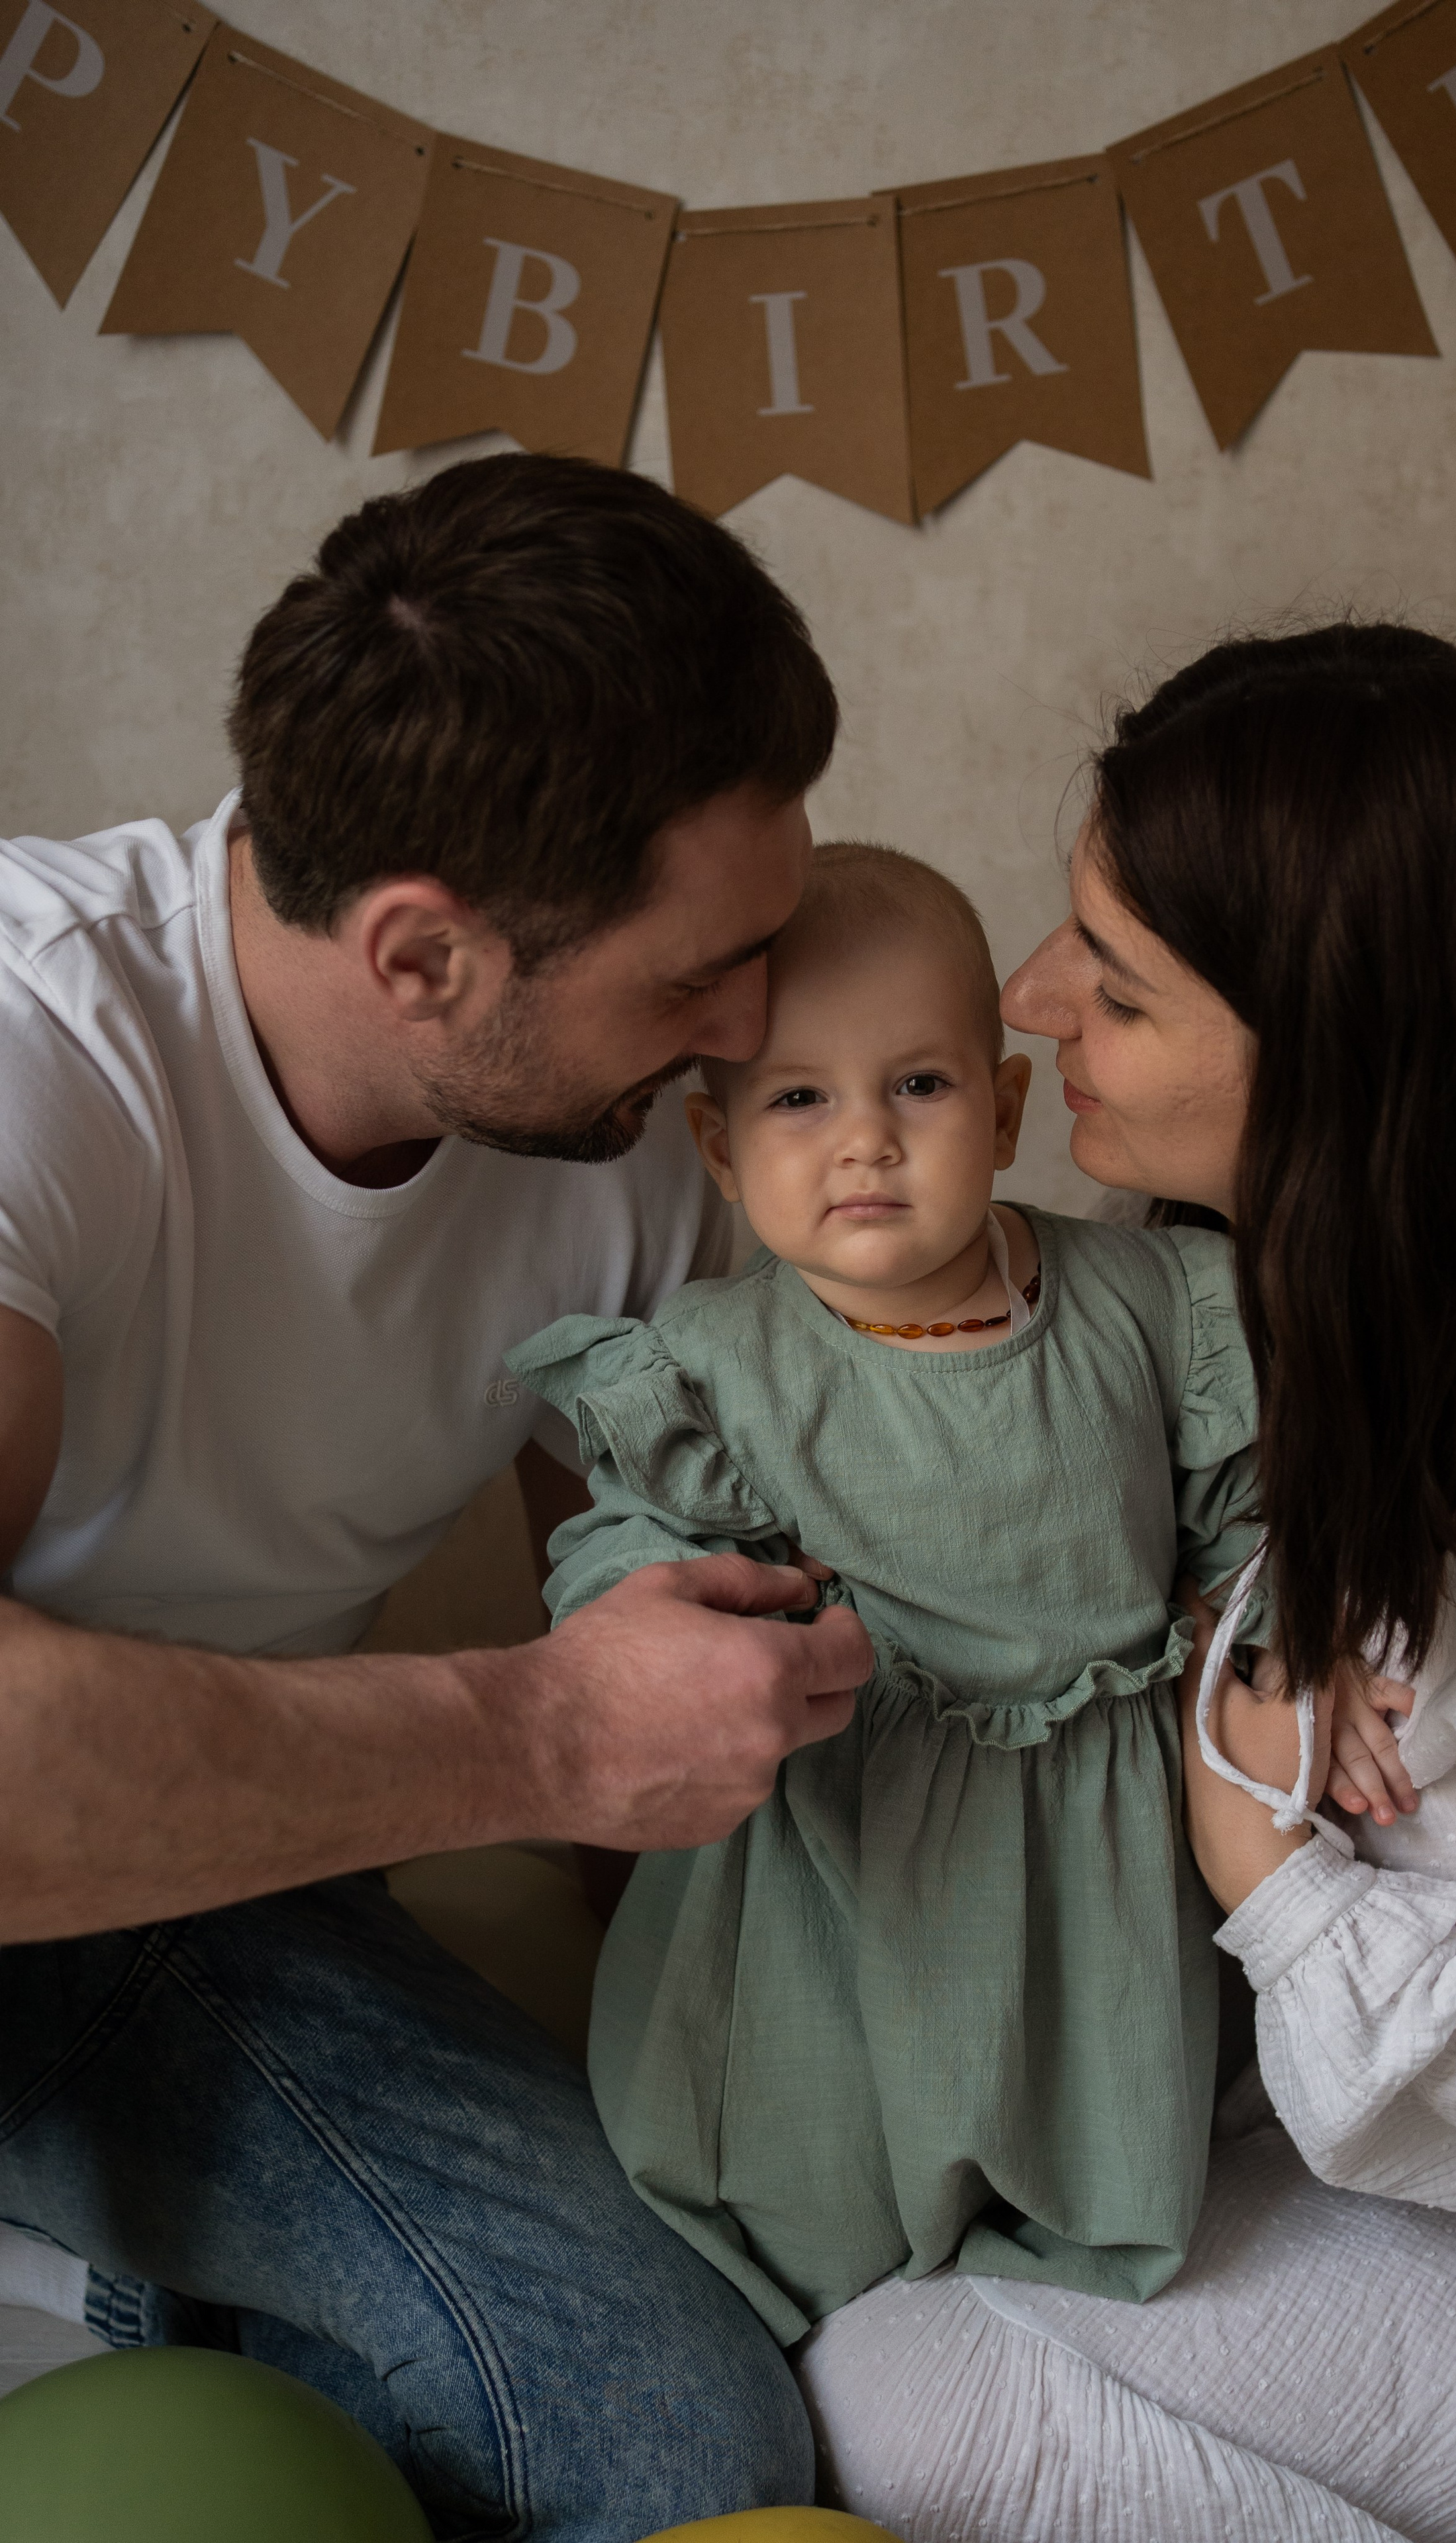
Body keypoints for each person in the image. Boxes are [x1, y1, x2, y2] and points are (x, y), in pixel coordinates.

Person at [0, 453, 873, 2540]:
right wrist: (546, 1733)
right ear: (422, 958)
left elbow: (668, 1626)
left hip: (227, 1876)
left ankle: (162, 2301)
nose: (754, 1029)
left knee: (684, 2444)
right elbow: (585, 1723)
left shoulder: (630, 1143)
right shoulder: (44, 1055)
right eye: (693, 980)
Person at [796, 626, 1456, 2543]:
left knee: (904, 2396)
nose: (1032, 1003)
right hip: (1348, 2144)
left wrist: (1273, 1882)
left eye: (1112, 989)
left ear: (1345, 1064)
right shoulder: (1323, 1297)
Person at [508, 841, 1266, 2344]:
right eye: (798, 1099)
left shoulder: (1149, 1310)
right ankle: (815, 2284)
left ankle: (1042, 2296)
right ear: (720, 1153)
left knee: (1103, 2135)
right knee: (801, 2149)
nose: (861, 1141)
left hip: (1093, 1851)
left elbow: (1241, 1526)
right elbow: (632, 1541)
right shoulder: (711, 1368)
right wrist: (648, 1610)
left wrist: (1285, 1635)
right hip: (834, 1838)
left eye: (915, 1087)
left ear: (1001, 1111)